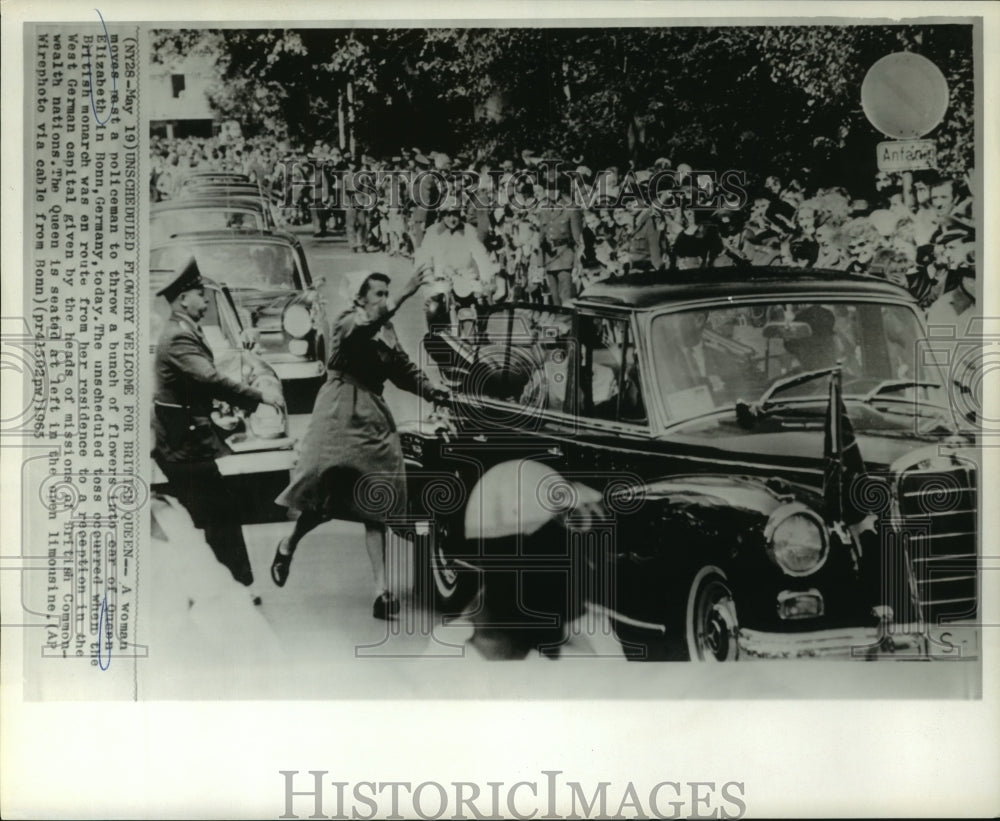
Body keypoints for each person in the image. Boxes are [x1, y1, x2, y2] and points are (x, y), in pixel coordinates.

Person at [271, 269, 449, 619]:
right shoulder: (346, 322)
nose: (384, 298)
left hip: (372, 418)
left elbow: (403, 370)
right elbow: (361, 331)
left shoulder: (385, 329)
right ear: (360, 298)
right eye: (378, 293)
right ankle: (288, 544)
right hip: (339, 412)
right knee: (322, 498)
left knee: (376, 500)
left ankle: (381, 592)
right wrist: (402, 298)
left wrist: (435, 392)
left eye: (387, 292)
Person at [152, 257, 283, 605]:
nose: (206, 300)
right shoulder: (179, 337)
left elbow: (209, 378)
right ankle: (233, 587)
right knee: (215, 512)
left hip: (186, 438)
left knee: (206, 513)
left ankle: (215, 586)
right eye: (200, 294)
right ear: (183, 299)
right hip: (182, 442)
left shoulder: (186, 331)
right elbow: (209, 378)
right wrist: (259, 397)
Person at [414, 194, 496, 337]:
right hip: (441, 278)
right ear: (442, 215)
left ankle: (481, 333)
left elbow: (480, 253)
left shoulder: (469, 230)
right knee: (434, 307)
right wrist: (428, 277)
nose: (452, 219)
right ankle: (436, 336)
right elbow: (424, 257)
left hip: (465, 277)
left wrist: (485, 276)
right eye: (448, 214)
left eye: (456, 215)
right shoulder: (433, 232)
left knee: (483, 303)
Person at [537, 165, 584, 306]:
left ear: (561, 188)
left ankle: (570, 327)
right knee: (555, 300)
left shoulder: (571, 209)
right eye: (548, 188)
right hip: (549, 260)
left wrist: (577, 264)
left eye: (554, 188)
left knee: (566, 300)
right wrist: (540, 264)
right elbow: (541, 240)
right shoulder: (544, 210)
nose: (551, 192)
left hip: (565, 259)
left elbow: (578, 241)